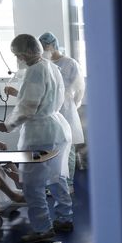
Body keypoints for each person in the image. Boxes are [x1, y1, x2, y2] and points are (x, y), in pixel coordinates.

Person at [0, 34, 73, 243]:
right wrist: (19, 93)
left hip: (39, 134)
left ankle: (42, 229)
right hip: (57, 129)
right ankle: (65, 218)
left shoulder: (34, 71)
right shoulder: (49, 66)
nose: (17, 58)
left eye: (17, 54)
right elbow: (42, 96)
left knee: (32, 184)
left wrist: (9, 125)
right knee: (56, 177)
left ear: (25, 52)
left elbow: (29, 107)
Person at [39, 32, 86, 190]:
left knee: (68, 147)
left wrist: (74, 103)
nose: (44, 49)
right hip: (49, 109)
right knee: (50, 146)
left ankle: (69, 183)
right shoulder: (43, 63)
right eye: (42, 47)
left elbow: (79, 88)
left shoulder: (69, 63)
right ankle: (51, 183)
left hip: (66, 107)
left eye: (46, 46)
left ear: (53, 45)